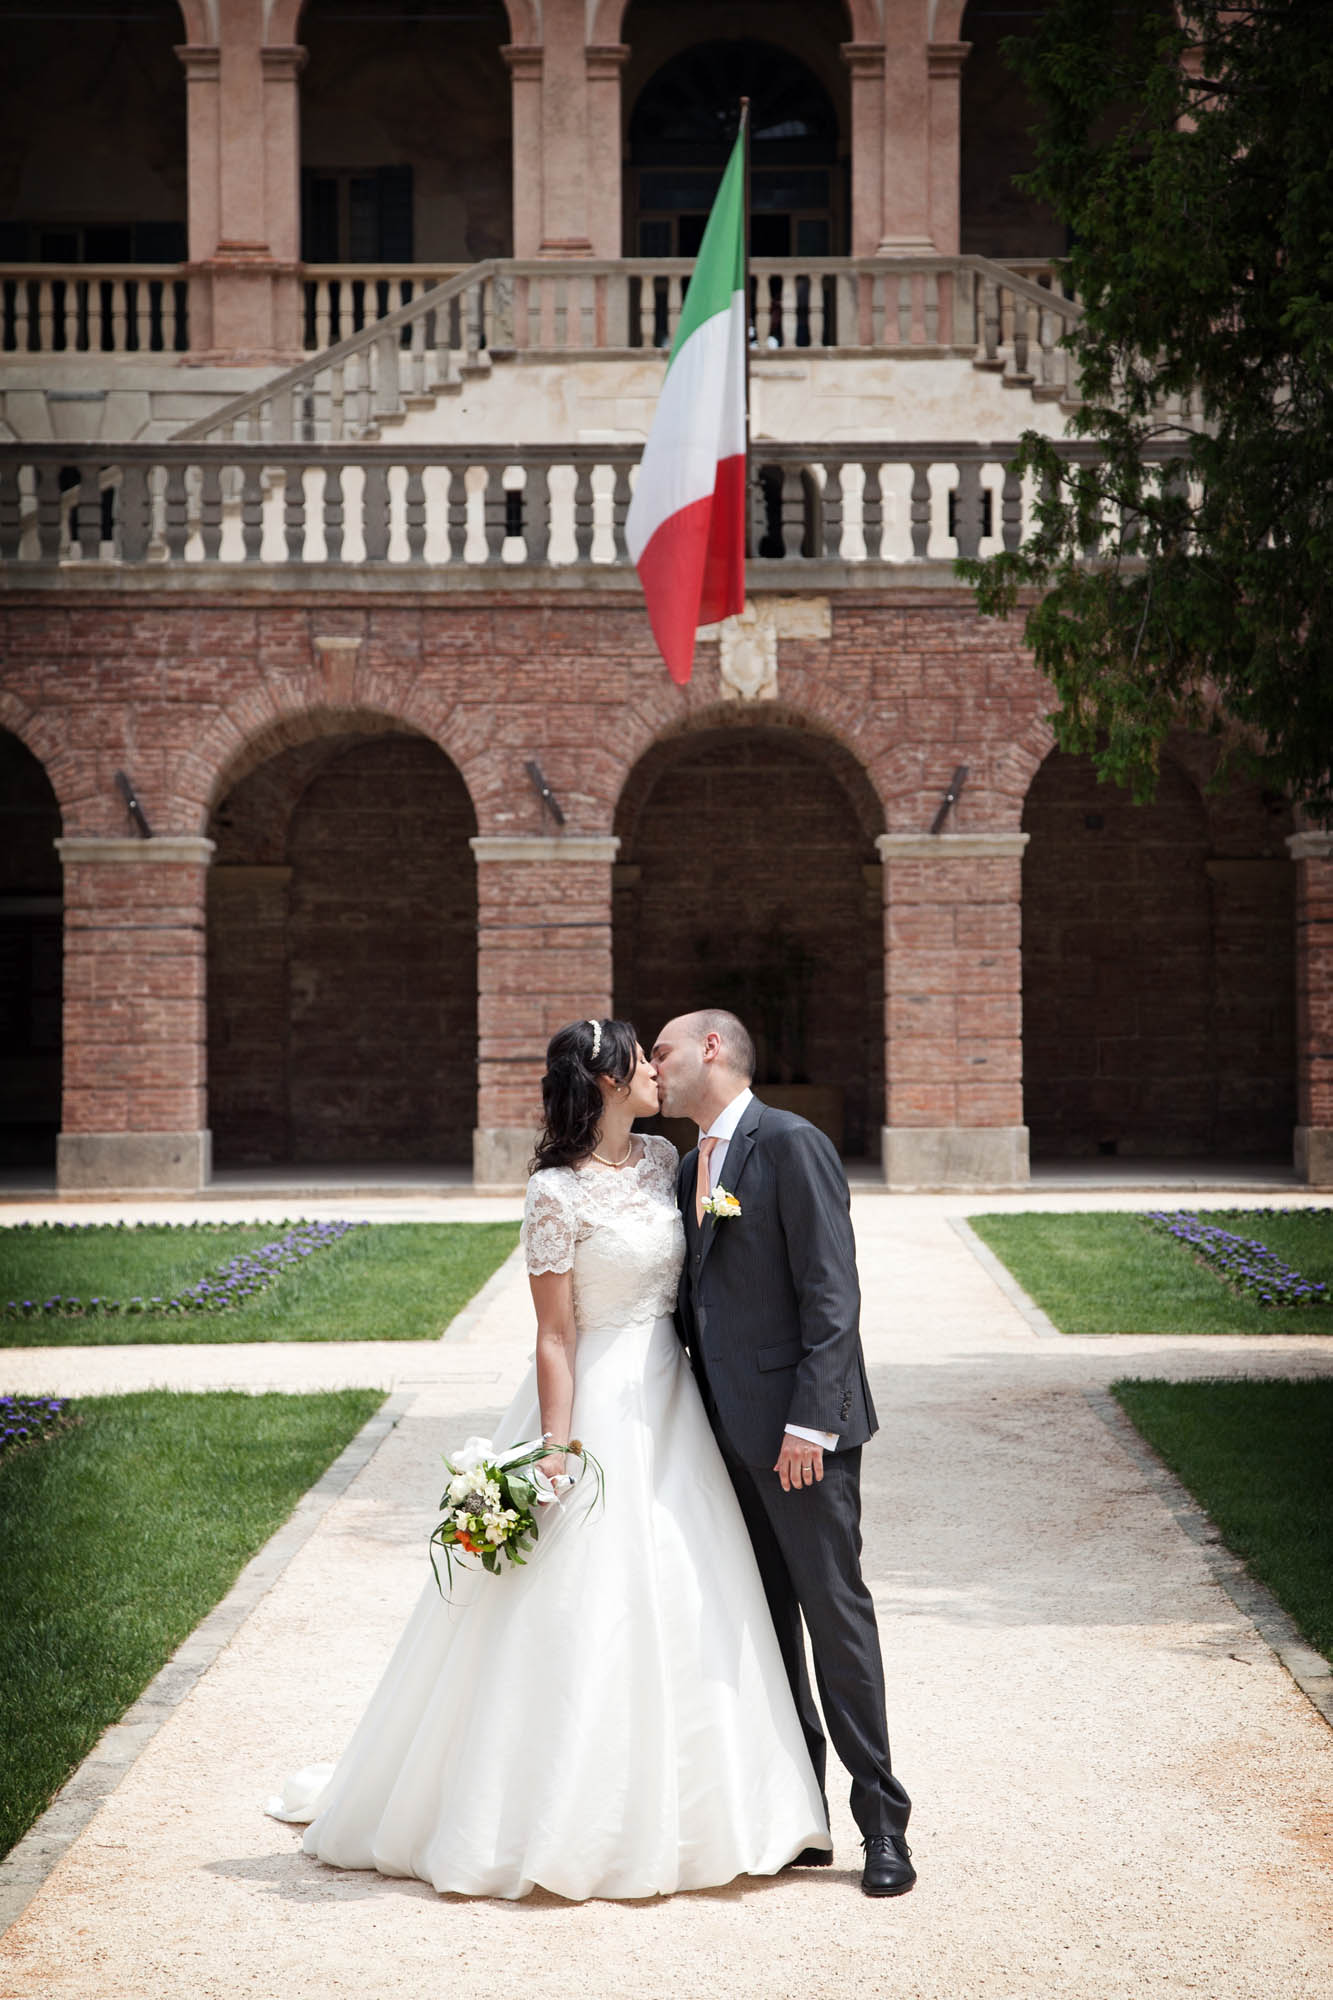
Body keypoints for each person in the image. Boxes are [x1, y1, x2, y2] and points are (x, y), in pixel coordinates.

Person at [267, 1016, 829, 1900]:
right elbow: (554, 1336)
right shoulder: (552, 1195)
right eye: (641, 1060)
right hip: (596, 1401)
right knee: (577, 1599)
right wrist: (559, 1451)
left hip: (676, 1401)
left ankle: (717, 1801)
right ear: (606, 1081)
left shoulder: (662, 1165)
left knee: (694, 1585)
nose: (654, 1071)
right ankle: (542, 1811)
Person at [651, 1008, 915, 1897]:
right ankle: (803, 1816)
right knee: (764, 1631)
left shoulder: (789, 1142)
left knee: (835, 1620)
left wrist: (812, 1425)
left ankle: (884, 1824)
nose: (654, 1066)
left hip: (802, 1441)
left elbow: (831, 1294)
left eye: (663, 1050)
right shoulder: (689, 1166)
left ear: (712, 1049)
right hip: (722, 1441)